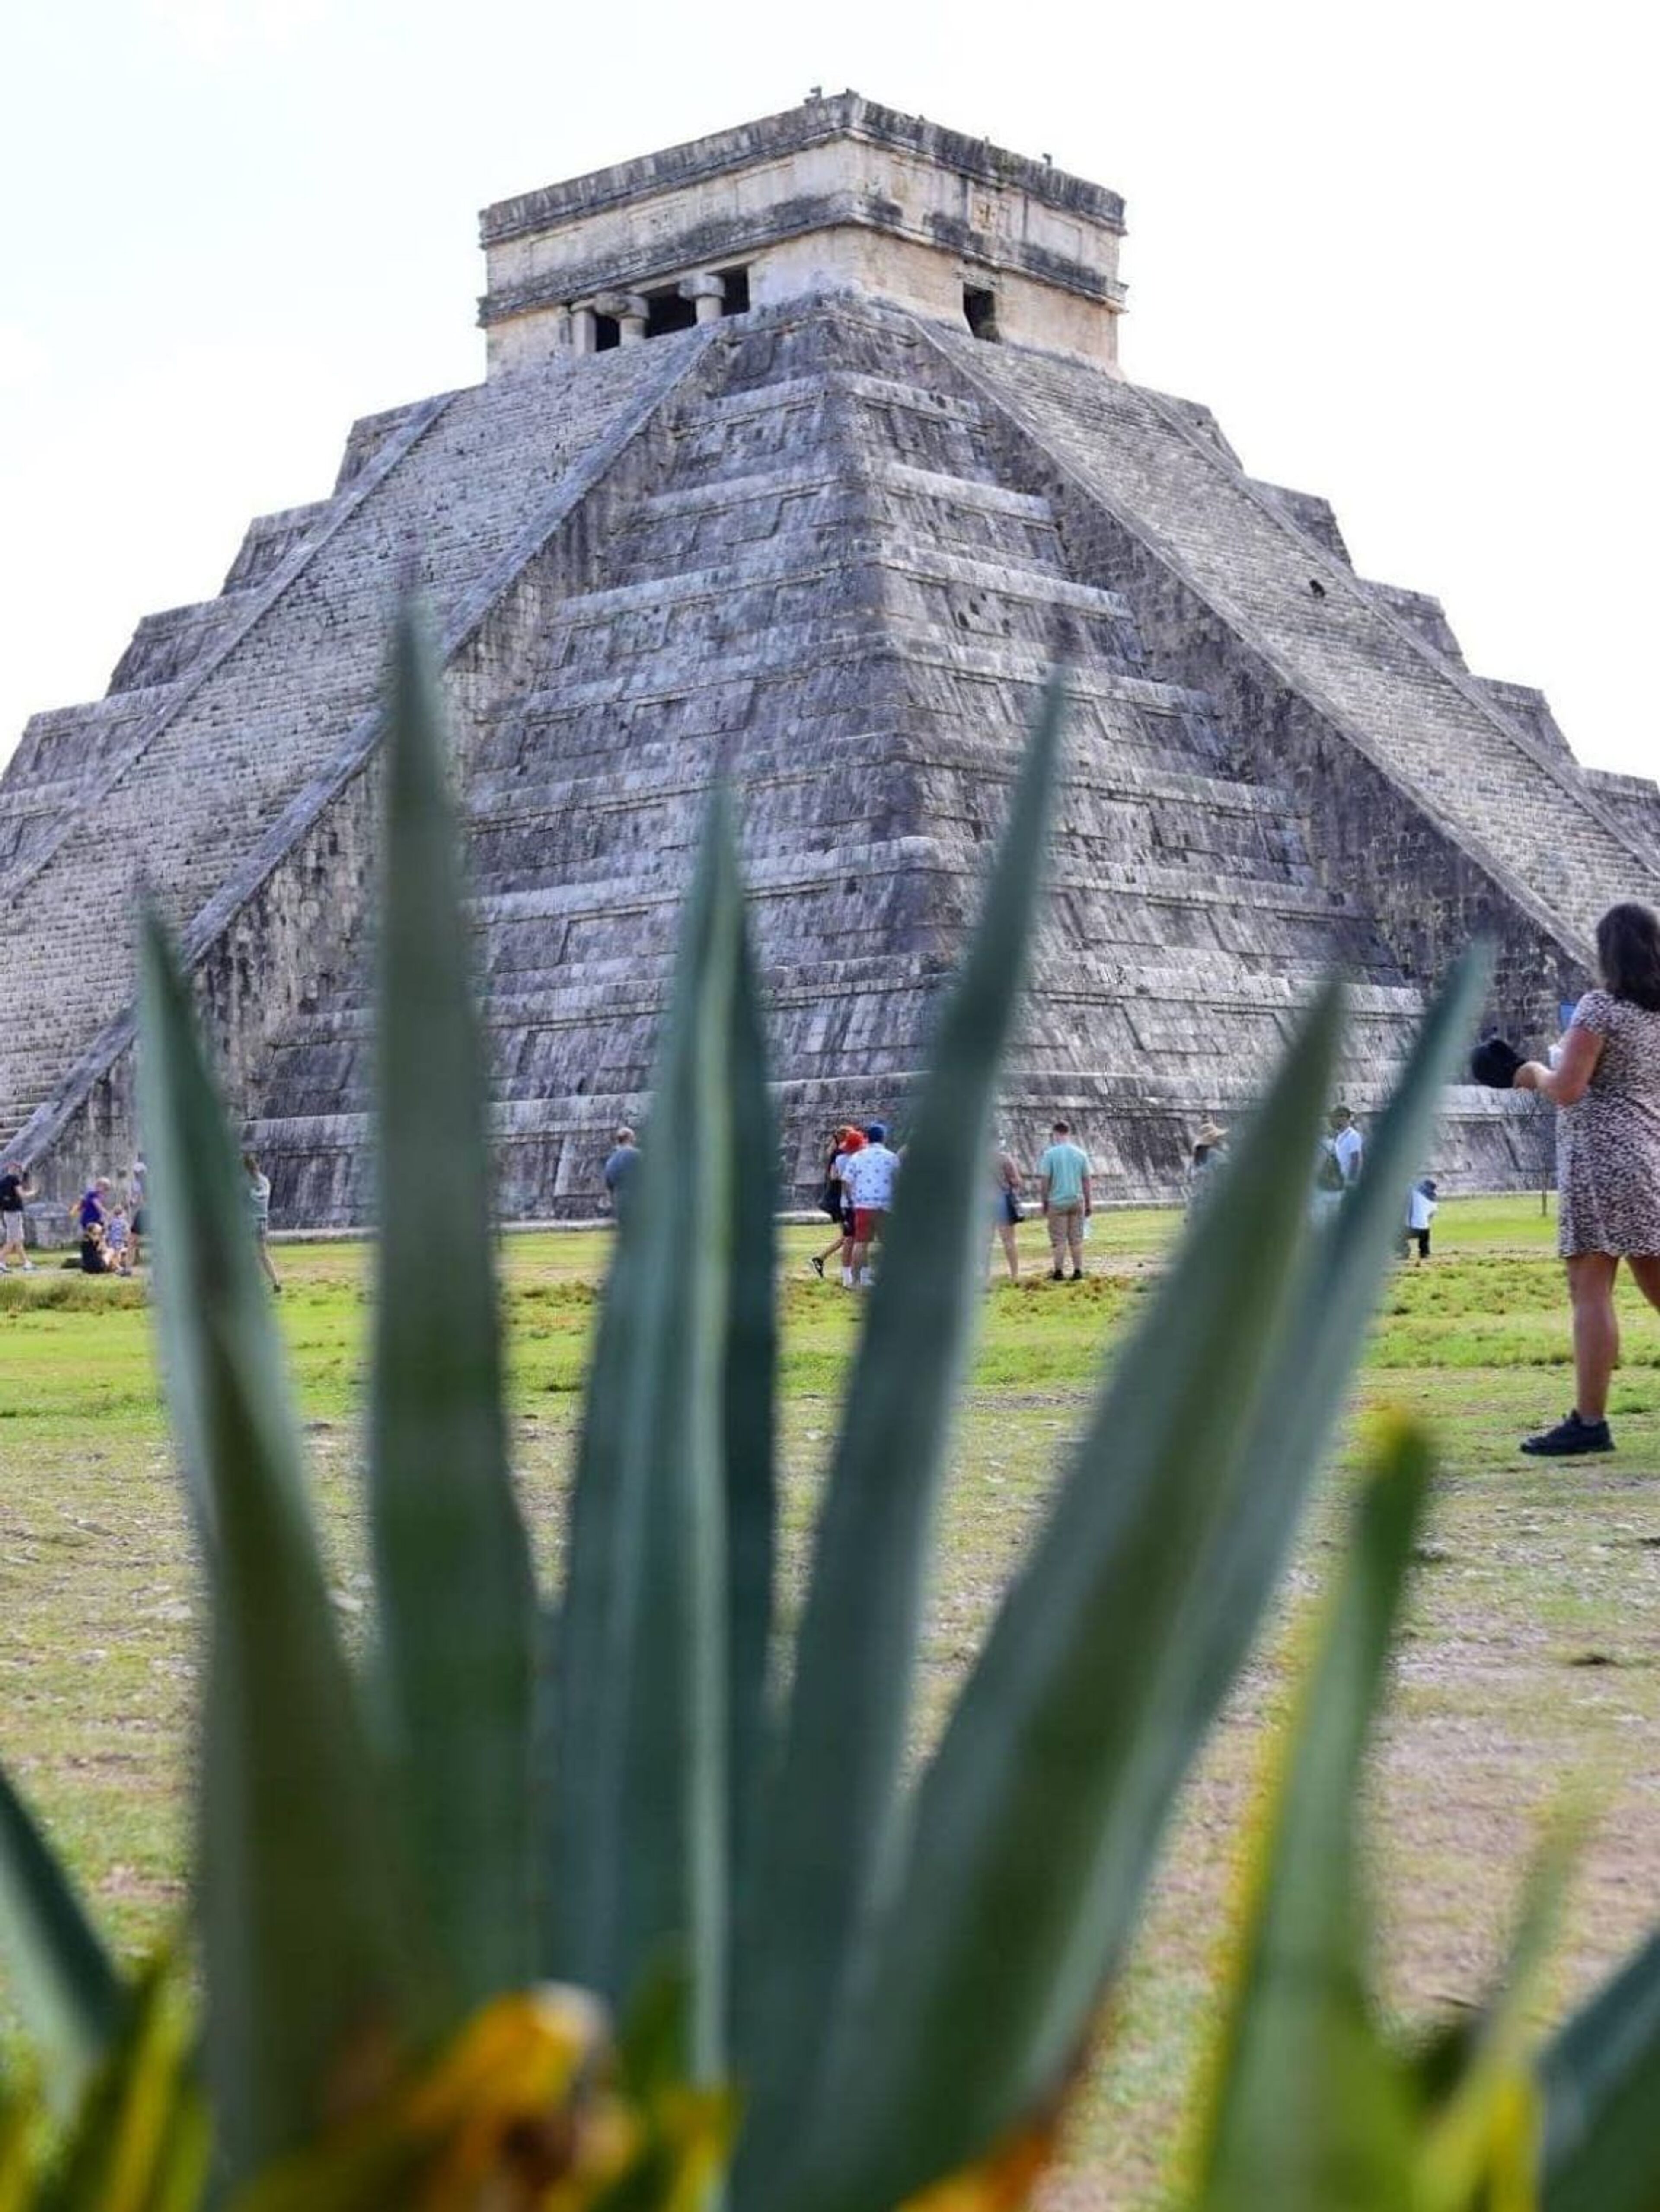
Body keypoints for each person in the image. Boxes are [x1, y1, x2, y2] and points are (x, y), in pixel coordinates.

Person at [1502, 902, 1660, 1456]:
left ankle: (1590, 1422)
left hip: (1600, 1157)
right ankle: (1589, 1420)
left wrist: (1532, 1072)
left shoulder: (1601, 1007)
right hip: (1647, 1152)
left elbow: (1567, 1089)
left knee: (1590, 1287)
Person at [841, 1121, 899, 1287]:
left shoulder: (858, 1157)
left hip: (863, 1204)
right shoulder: (891, 1157)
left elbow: (846, 1180)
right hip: (885, 1205)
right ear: (884, 1138)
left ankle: (857, 1280)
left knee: (861, 1243)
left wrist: (851, 1198)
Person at [1038, 1120, 1092, 1280]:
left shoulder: (1049, 1155)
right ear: (1068, 1133)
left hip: (1057, 1202)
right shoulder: (1081, 1154)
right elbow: (1087, 1181)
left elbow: (1045, 1181)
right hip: (1077, 1200)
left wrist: (1045, 1202)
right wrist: (1089, 1203)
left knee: (1059, 1239)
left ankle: (1059, 1272)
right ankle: (1078, 1271)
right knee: (1076, 1239)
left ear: (1056, 1134)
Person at [809, 1125, 864, 1282]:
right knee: (849, 1237)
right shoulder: (840, 1154)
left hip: (836, 1199)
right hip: (837, 1200)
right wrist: (849, 1178)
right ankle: (825, 1262)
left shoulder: (837, 1152)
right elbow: (834, 1176)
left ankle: (821, 1260)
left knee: (848, 1237)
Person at [242, 1152, 281, 1291]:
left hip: (248, 1221)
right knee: (263, 1255)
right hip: (263, 1221)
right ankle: (276, 1283)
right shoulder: (265, 1181)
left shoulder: (243, 1182)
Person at [988, 1142, 1024, 1285]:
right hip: (1001, 1200)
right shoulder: (1003, 1158)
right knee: (1009, 1241)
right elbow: (1017, 1182)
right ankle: (1015, 1275)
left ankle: (985, 1278)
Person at [0, 1159, 34, 1274]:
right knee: (12, 1241)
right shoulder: (14, 1180)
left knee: (18, 1240)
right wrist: (32, 1193)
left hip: (6, 1213)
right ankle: (0, 1262)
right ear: (13, 1168)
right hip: (14, 1213)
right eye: (18, 1168)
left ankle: (26, 1264)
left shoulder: (3, 1181)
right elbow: (22, 1194)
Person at [1188, 1120, 1228, 1201]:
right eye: (1219, 1137)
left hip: (1197, 1200)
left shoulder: (1195, 1159)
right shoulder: (1216, 1155)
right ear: (1214, 1139)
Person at [603, 1127, 640, 1212]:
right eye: (634, 1137)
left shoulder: (611, 1161)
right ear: (629, 1138)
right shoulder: (637, 1155)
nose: (635, 1139)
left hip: (621, 1204)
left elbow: (609, 1187)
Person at [1404, 1177, 1437, 1262]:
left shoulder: (1414, 1193)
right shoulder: (1433, 1200)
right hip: (1425, 1229)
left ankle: (1403, 1251)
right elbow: (1431, 1215)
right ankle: (1425, 1254)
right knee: (1424, 1242)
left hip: (1411, 1227)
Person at [128, 1159, 147, 1271]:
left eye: (137, 1173)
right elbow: (136, 1198)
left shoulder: (144, 1183)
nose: (136, 1175)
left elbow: (139, 1198)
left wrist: (134, 1201)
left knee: (132, 1241)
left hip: (145, 1212)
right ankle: (128, 1269)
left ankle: (128, 1269)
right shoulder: (138, 1184)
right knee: (132, 1241)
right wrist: (133, 1201)